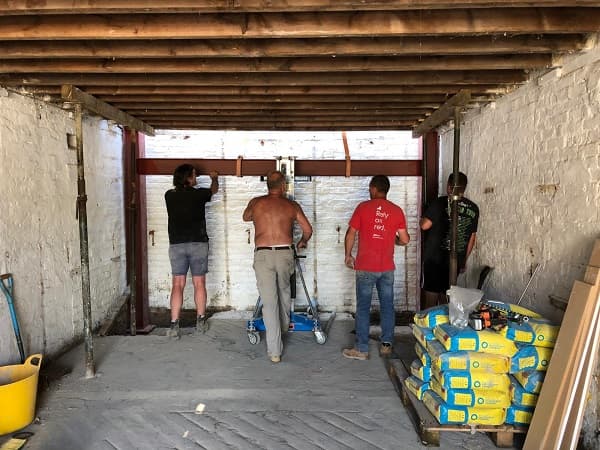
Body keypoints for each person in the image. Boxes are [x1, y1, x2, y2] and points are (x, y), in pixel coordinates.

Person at [243, 171, 312, 363]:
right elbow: (308, 230)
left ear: (268, 186)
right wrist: (302, 241)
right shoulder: (291, 205)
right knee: (283, 292)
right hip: (285, 253)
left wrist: (257, 210)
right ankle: (282, 328)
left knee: (269, 301)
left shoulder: (256, 202)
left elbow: (246, 217)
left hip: (263, 253)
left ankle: (275, 351)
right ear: (283, 186)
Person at [343, 175, 410, 361]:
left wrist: (348, 255)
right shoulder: (396, 211)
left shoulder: (363, 208)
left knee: (363, 307)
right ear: (386, 190)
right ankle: (387, 344)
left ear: (373, 189)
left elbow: (350, 234)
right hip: (387, 268)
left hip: (365, 267)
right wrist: (393, 239)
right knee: (387, 305)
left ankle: (362, 349)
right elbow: (405, 239)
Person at [164, 164, 219, 339]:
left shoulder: (169, 195)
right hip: (198, 244)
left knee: (177, 284)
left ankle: (174, 325)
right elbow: (214, 190)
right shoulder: (200, 194)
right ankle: (201, 321)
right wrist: (214, 177)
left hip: (177, 245)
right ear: (188, 177)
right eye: (194, 175)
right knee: (199, 283)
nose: (196, 178)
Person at [420, 171, 479, 308]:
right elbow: (472, 237)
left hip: (433, 259)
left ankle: (431, 326)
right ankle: (444, 326)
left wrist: (422, 218)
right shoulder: (473, 208)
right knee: (447, 295)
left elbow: (425, 225)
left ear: (448, 186)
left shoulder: (440, 203)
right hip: (455, 259)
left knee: (431, 295)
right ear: (464, 188)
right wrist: (464, 259)